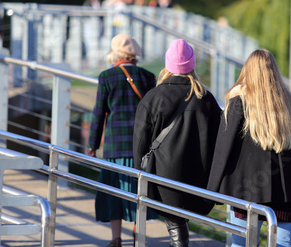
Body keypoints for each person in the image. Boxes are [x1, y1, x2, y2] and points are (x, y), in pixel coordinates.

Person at [207, 49, 291, 247]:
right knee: (285, 244)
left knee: (242, 243)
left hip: (247, 190)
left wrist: (212, 190)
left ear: (247, 72)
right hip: (289, 192)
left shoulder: (238, 103)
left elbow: (223, 149)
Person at [133, 39, 221, 247]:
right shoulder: (206, 98)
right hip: (200, 176)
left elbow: (140, 143)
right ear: (192, 65)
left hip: (163, 177)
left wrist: (139, 175)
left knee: (176, 226)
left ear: (167, 65)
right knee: (179, 222)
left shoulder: (153, 97)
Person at [87, 34, 156, 247]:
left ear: (115, 53)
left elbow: (99, 113)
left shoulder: (107, 77)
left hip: (114, 147)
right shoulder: (148, 77)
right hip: (141, 146)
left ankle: (116, 239)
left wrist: (93, 144)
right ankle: (138, 237)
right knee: (139, 192)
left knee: (112, 192)